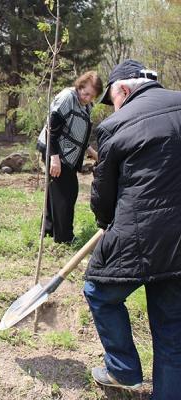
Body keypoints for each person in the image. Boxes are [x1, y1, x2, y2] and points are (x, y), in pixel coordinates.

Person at [83, 59, 181, 399]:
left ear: (123, 89)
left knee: (99, 292)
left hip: (141, 236)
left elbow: (103, 194)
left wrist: (104, 222)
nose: (115, 105)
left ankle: (123, 370)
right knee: (173, 334)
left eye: (113, 97)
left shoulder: (116, 125)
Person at [36, 71, 102, 243]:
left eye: (92, 96)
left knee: (55, 192)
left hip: (66, 153)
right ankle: (64, 238)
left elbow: (76, 132)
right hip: (56, 151)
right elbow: (52, 130)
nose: (87, 98)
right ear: (79, 86)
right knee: (67, 193)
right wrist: (54, 159)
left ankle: (48, 230)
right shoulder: (67, 98)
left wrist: (92, 153)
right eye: (86, 93)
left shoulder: (85, 105)